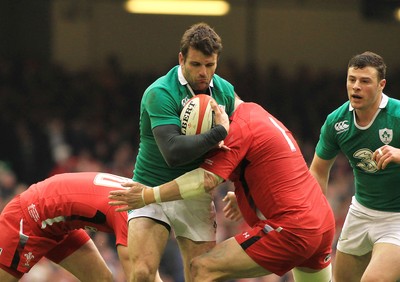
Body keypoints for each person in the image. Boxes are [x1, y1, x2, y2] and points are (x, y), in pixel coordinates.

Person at [109, 97, 335, 281]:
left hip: (292, 230)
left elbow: (205, 180)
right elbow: (270, 167)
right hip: (322, 222)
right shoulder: (254, 112)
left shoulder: (238, 129)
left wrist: (148, 195)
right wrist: (245, 196)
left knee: (202, 268)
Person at [125, 22, 236, 281]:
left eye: (210, 65)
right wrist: (219, 132)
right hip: (149, 188)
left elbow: (239, 147)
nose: (203, 73)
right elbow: (173, 152)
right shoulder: (160, 92)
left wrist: (241, 193)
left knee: (201, 274)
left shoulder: (225, 92)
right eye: (196, 64)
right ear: (181, 59)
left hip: (193, 192)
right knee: (141, 273)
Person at [308, 51, 400, 282]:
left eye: (365, 81)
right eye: (352, 80)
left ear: (381, 85)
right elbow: (318, 170)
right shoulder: (336, 121)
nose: (356, 87)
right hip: (360, 212)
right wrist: (317, 216)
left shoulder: (397, 115)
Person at [0, 172, 162, 282]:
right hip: (26, 219)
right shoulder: (132, 214)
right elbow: (138, 276)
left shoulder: (143, 197)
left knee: (102, 279)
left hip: (59, 224)